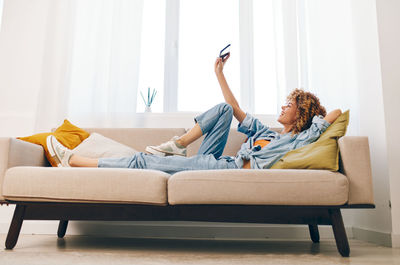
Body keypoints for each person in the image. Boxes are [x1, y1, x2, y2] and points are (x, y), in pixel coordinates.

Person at [46, 54, 342, 173]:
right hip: (222, 159)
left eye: (288, 104)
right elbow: (234, 110)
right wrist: (219, 73)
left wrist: (311, 113)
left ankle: (72, 161)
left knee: (145, 160)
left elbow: (334, 114)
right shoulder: (267, 133)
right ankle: (178, 145)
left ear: (301, 113)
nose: (282, 106)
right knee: (225, 110)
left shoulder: (297, 142)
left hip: (229, 171)